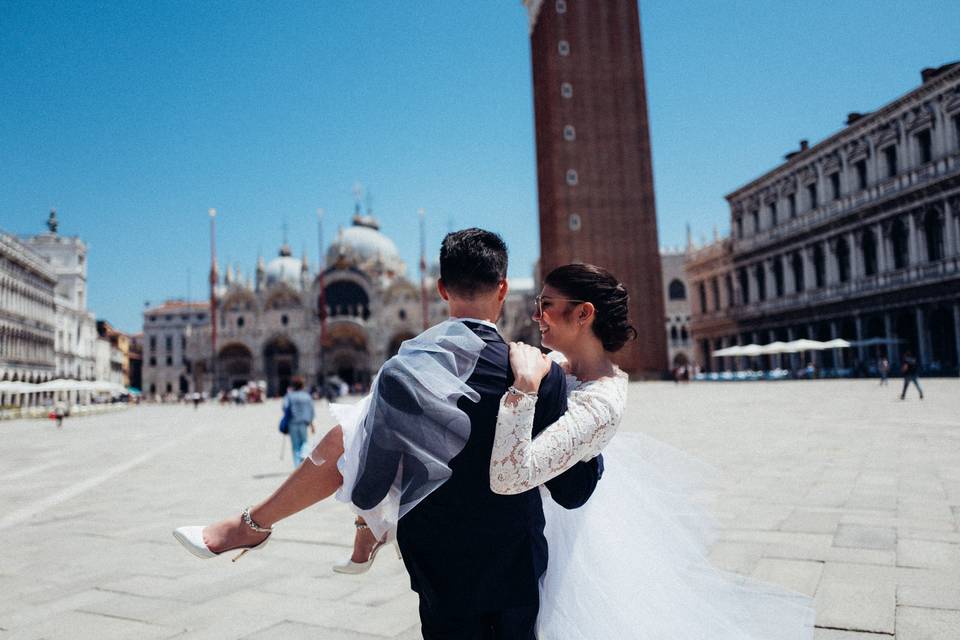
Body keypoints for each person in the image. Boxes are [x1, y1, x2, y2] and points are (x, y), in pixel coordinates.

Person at [173, 229, 601, 638]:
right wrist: (592, 443)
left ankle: (251, 523)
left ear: (441, 289)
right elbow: (571, 491)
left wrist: (370, 515)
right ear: (503, 289)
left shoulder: (402, 371)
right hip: (516, 565)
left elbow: (369, 486)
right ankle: (251, 523)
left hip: (438, 566)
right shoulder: (540, 373)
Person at [492, 263, 815, 639]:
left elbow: (512, 473)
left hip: (565, 540)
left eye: (546, 304)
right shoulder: (562, 366)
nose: (536, 315)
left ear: (583, 313)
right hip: (539, 523)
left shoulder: (601, 402)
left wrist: (526, 389)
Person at [282, 376, 315, 466]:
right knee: (304, 442)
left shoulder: (289, 396)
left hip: (292, 423)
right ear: (302, 385)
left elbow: (285, 407)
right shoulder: (307, 396)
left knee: (295, 445)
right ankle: (303, 455)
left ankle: (297, 466)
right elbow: (311, 410)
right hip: (304, 423)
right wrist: (312, 424)